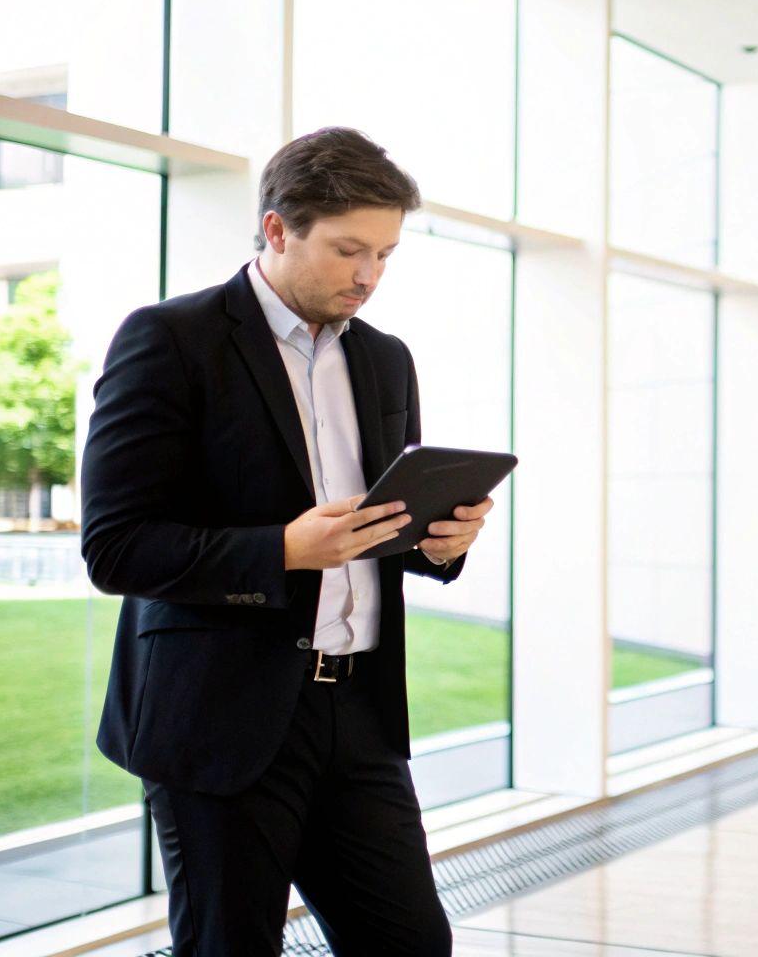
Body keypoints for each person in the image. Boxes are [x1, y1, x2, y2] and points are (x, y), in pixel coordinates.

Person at [80, 127, 492, 956]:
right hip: (219, 716)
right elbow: (117, 546)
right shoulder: (170, 340)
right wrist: (281, 551)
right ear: (277, 229)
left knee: (412, 944)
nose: (369, 276)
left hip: (358, 713)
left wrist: (439, 546)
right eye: (348, 250)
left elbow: (380, 530)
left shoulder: (385, 360)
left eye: (384, 254)